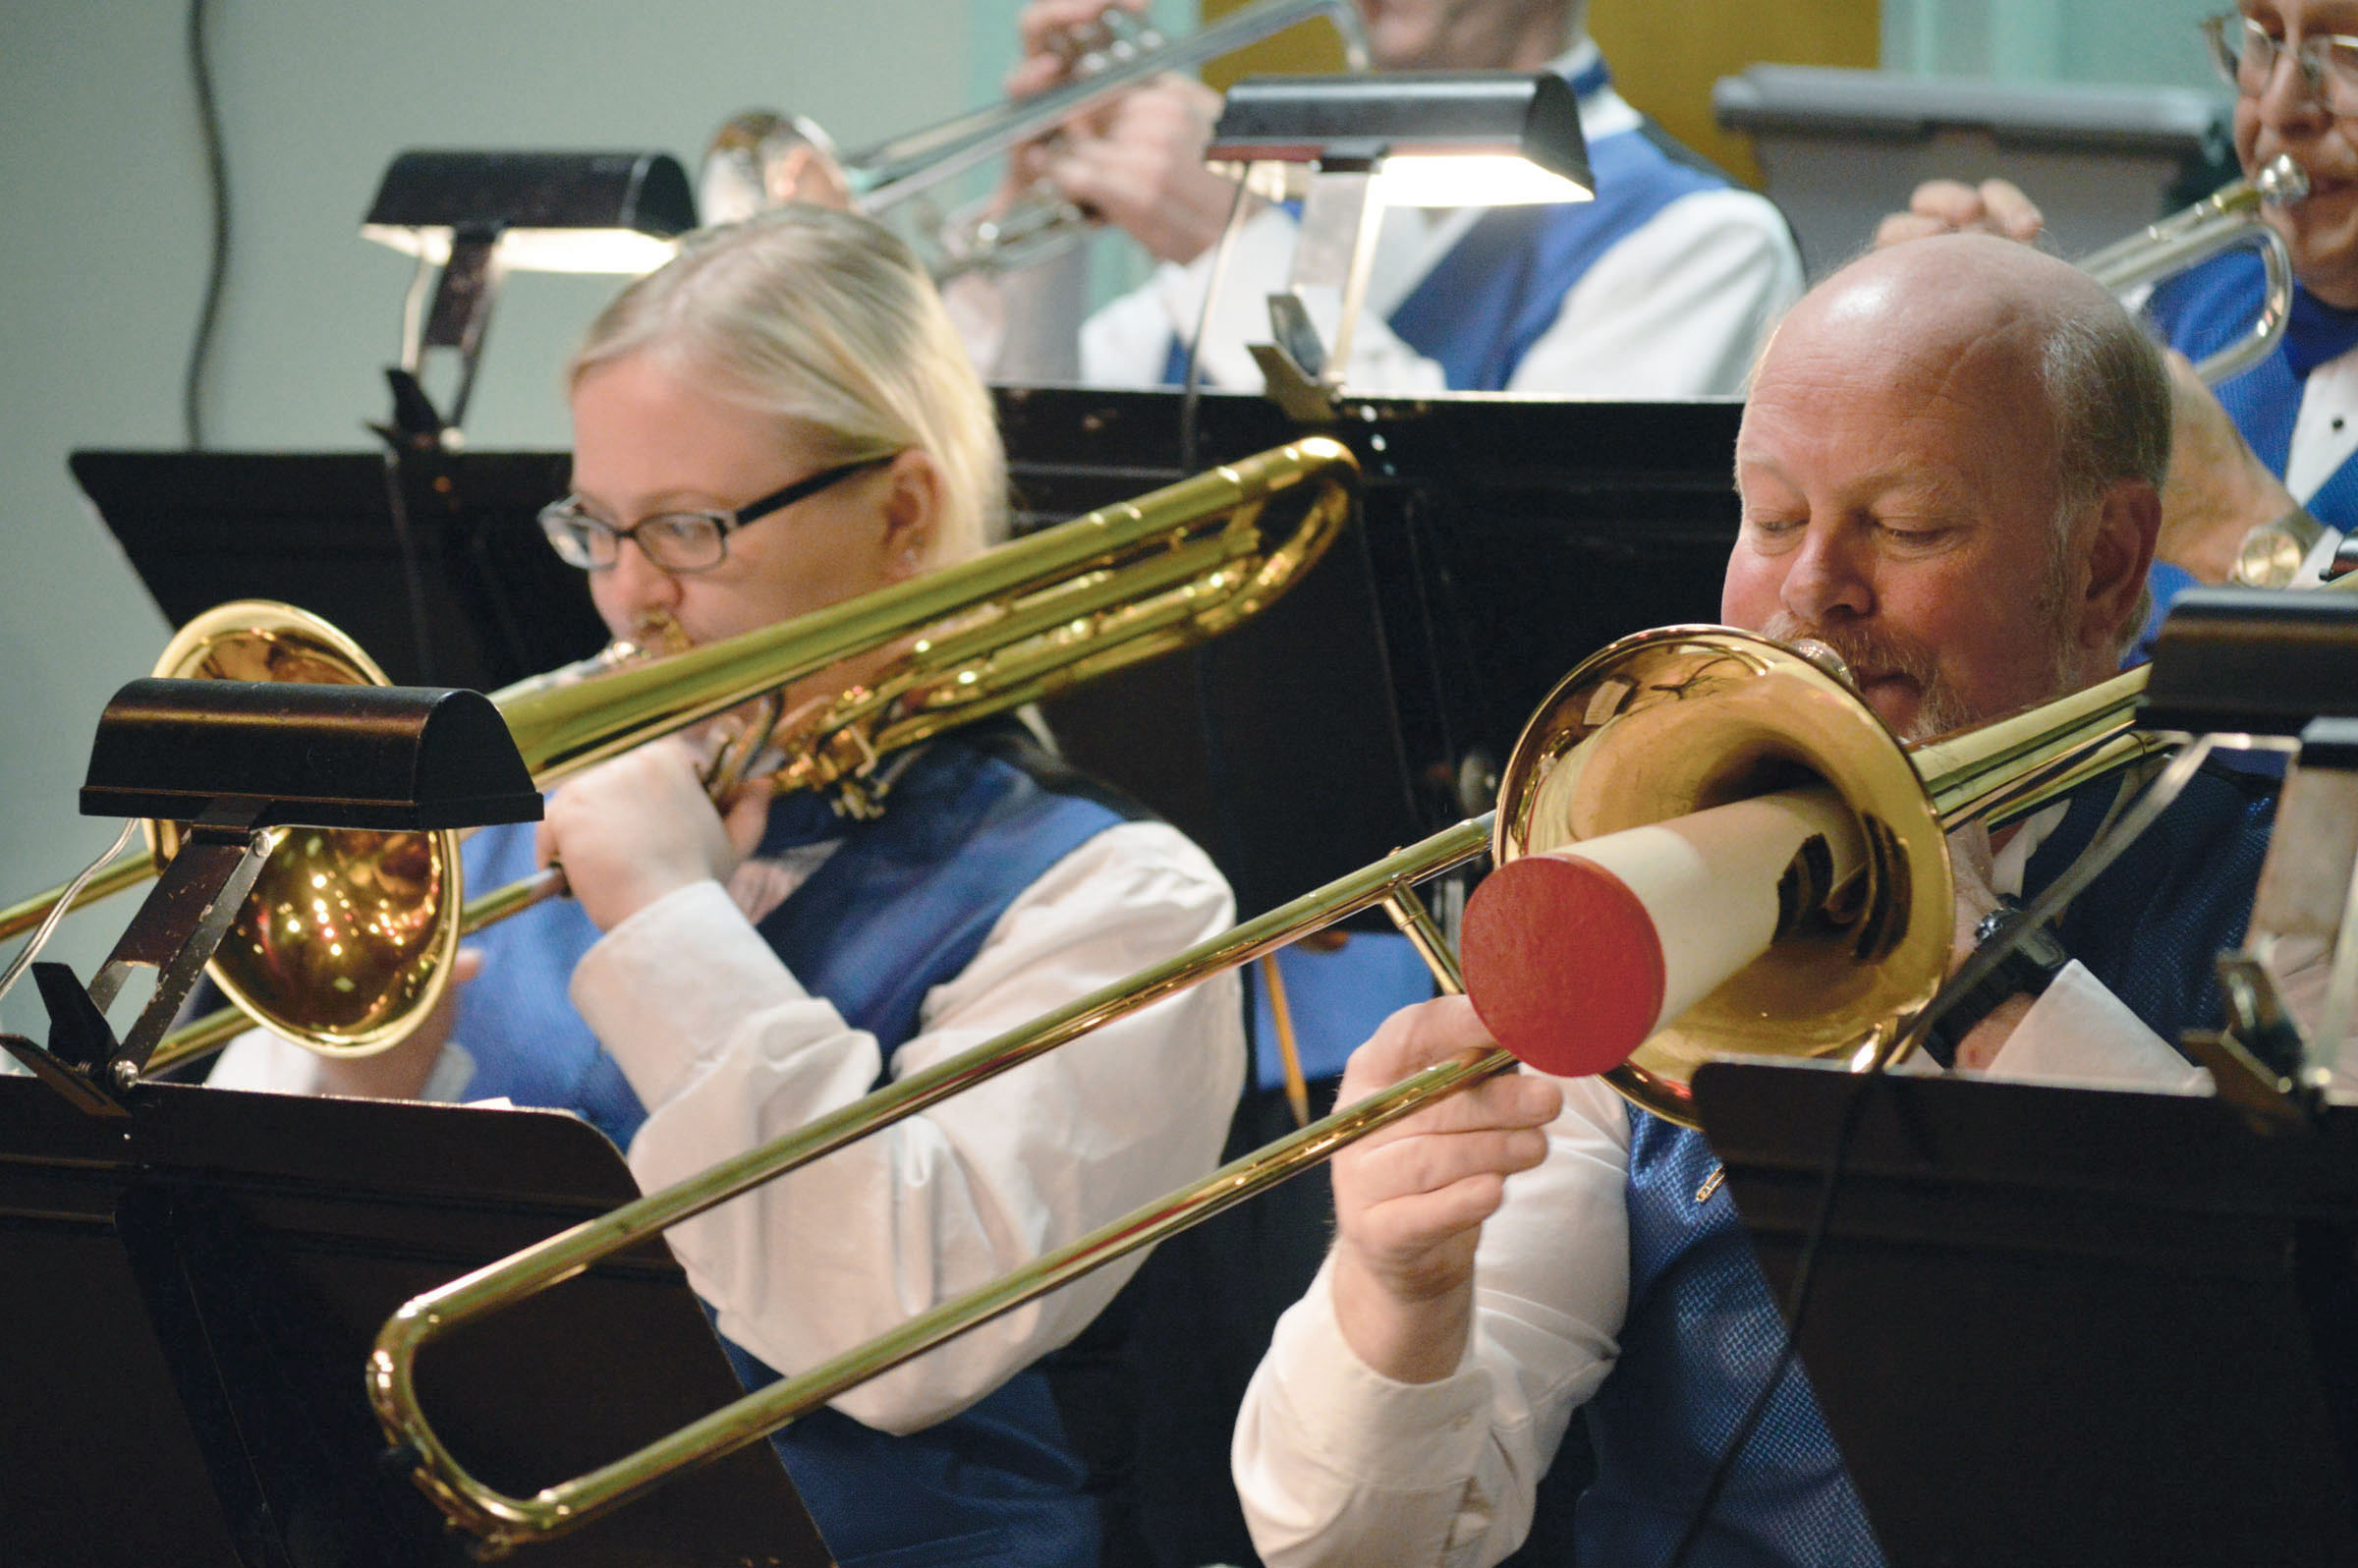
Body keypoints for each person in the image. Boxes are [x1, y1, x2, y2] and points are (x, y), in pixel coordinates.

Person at [1227, 234, 2311, 1567]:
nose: (1811, 593)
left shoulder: (2299, 884)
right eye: (1773, 518)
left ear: (2104, 564)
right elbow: (1350, 1546)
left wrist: (1958, 962)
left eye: (1908, 527)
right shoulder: (1645, 881)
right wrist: (1400, 1289)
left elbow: (2270, 1377)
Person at [211, 205, 1247, 1568]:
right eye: (598, 528)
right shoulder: (513, 787)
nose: (630, 601)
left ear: (902, 512)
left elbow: (891, 1342)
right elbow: (217, 1243)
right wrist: (361, 1090)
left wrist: (667, 920)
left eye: (692, 530)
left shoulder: (1119, 902)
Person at [983, 0, 1802, 395]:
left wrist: (1226, 238)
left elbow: (1480, 538)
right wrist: (1043, 218)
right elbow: (1051, 444)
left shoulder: (1708, 239)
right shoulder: (1305, 184)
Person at [1878, 0, 2355, 596]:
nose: (2281, 109)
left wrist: (2238, 533)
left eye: (2349, 52)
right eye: (2265, 37)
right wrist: (1958, 365)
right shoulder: (2175, 305)